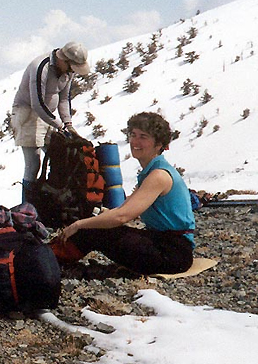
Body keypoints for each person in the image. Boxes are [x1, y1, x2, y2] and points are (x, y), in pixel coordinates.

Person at [51, 112, 195, 275]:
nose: (135, 142)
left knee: (94, 230)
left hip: (172, 254)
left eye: (143, 137)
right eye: (133, 135)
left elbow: (122, 216)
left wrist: (78, 225)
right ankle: (51, 254)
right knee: (96, 226)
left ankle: (48, 258)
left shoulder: (159, 175)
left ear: (159, 144)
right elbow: (122, 209)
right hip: (162, 243)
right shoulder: (152, 171)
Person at [12, 41, 90, 201]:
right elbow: (37, 103)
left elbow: (64, 99)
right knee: (33, 164)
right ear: (63, 60)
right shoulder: (41, 67)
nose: (71, 71)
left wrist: (68, 124)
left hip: (49, 115)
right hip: (28, 114)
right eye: (70, 67)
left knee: (60, 156)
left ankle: (49, 201)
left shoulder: (68, 70)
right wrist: (59, 125)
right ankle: (28, 208)